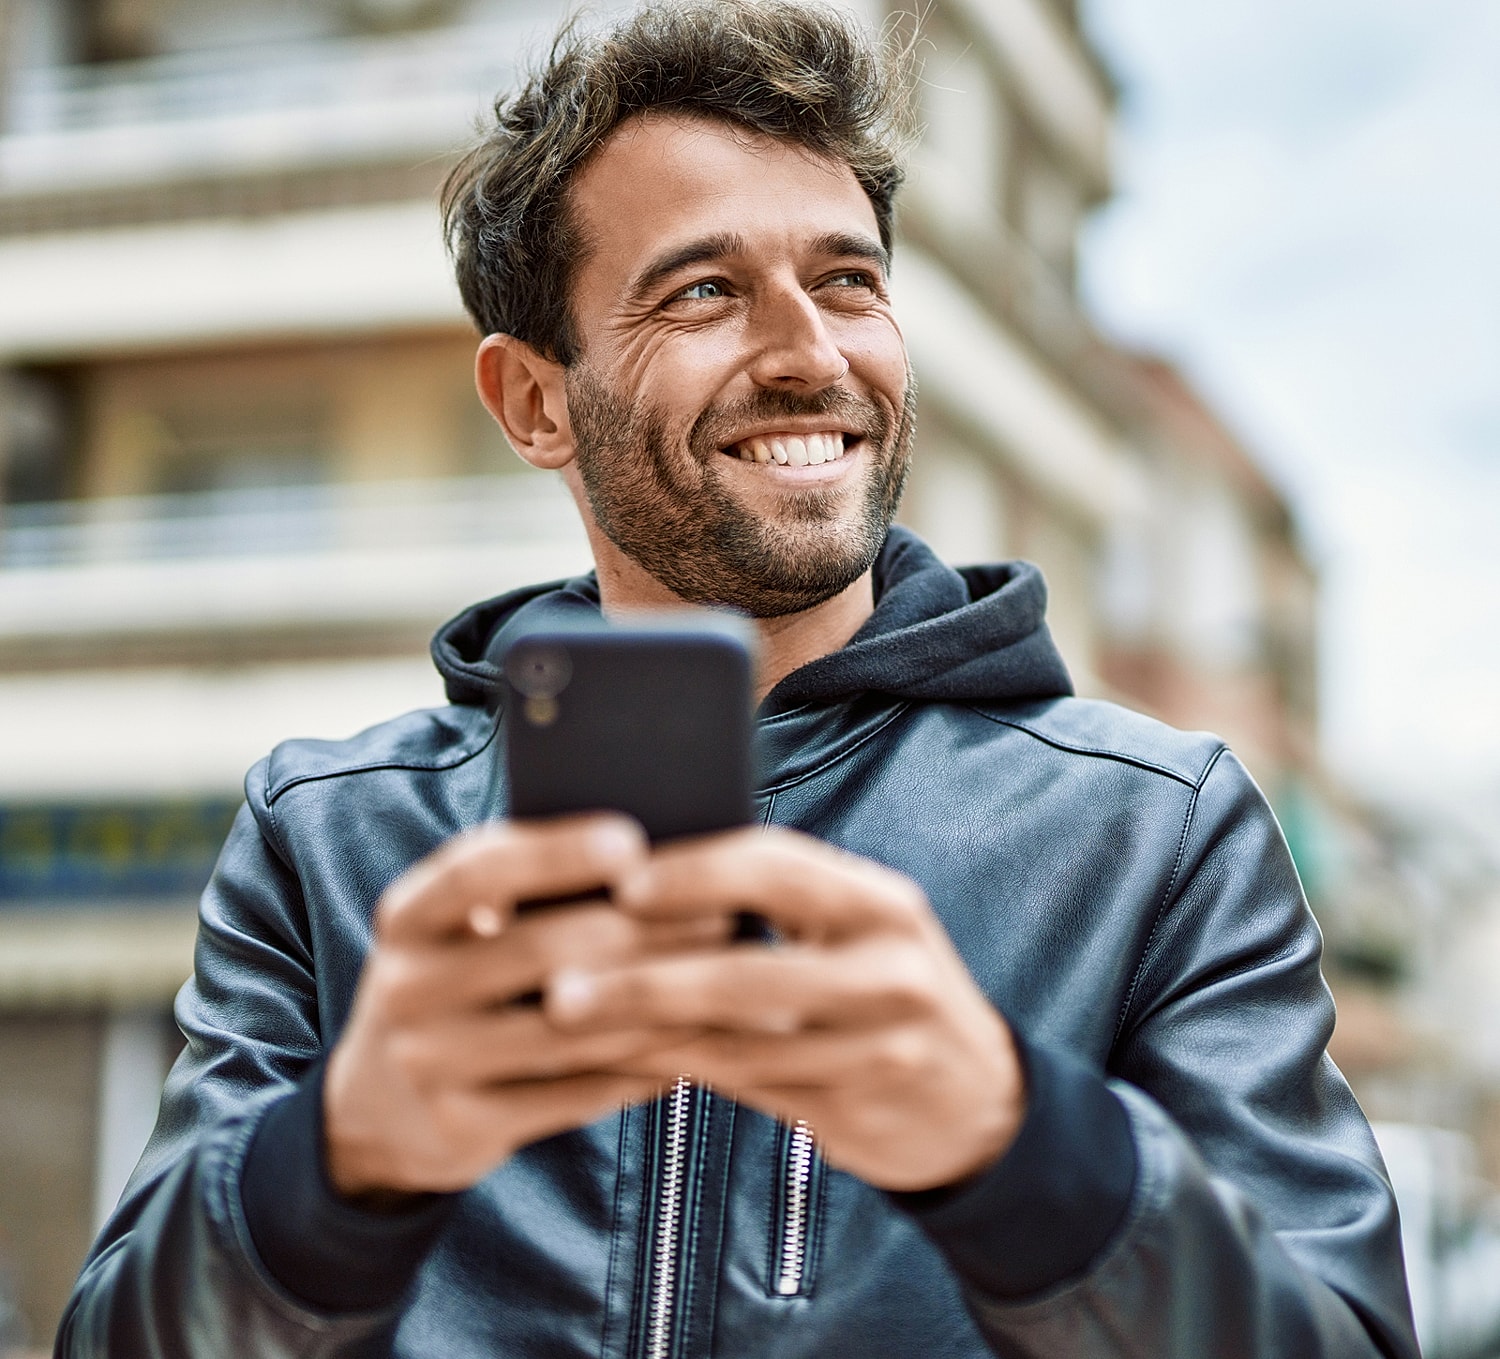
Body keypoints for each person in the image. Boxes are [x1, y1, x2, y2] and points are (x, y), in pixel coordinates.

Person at [58, 3, 1419, 1356]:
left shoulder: (1156, 831)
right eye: (706, 289)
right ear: (535, 402)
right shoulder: (327, 835)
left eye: (849, 280)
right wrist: (330, 1175)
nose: (813, 355)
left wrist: (1027, 1153)